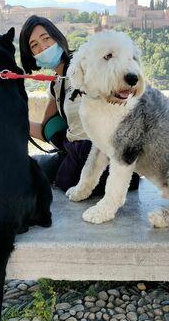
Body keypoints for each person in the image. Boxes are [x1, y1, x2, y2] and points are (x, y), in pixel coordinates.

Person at [18, 15, 138, 193]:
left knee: (36, 175)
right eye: (34, 45)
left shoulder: (85, 65)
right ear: (31, 55)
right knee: (25, 169)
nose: (43, 47)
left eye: (46, 38)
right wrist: (10, 121)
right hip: (76, 152)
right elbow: (46, 130)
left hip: (104, 153)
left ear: (57, 37)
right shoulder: (56, 84)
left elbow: (118, 89)